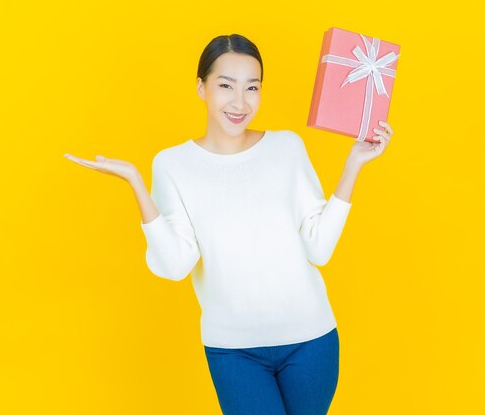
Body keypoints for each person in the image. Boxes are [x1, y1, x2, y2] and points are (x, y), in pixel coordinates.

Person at [64, 33, 393, 415]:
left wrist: (354, 163)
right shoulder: (172, 165)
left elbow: (319, 249)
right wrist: (136, 182)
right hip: (234, 351)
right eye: (226, 86)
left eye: (252, 87)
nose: (240, 102)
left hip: (312, 341)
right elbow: (174, 265)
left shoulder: (286, 148)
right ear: (201, 87)